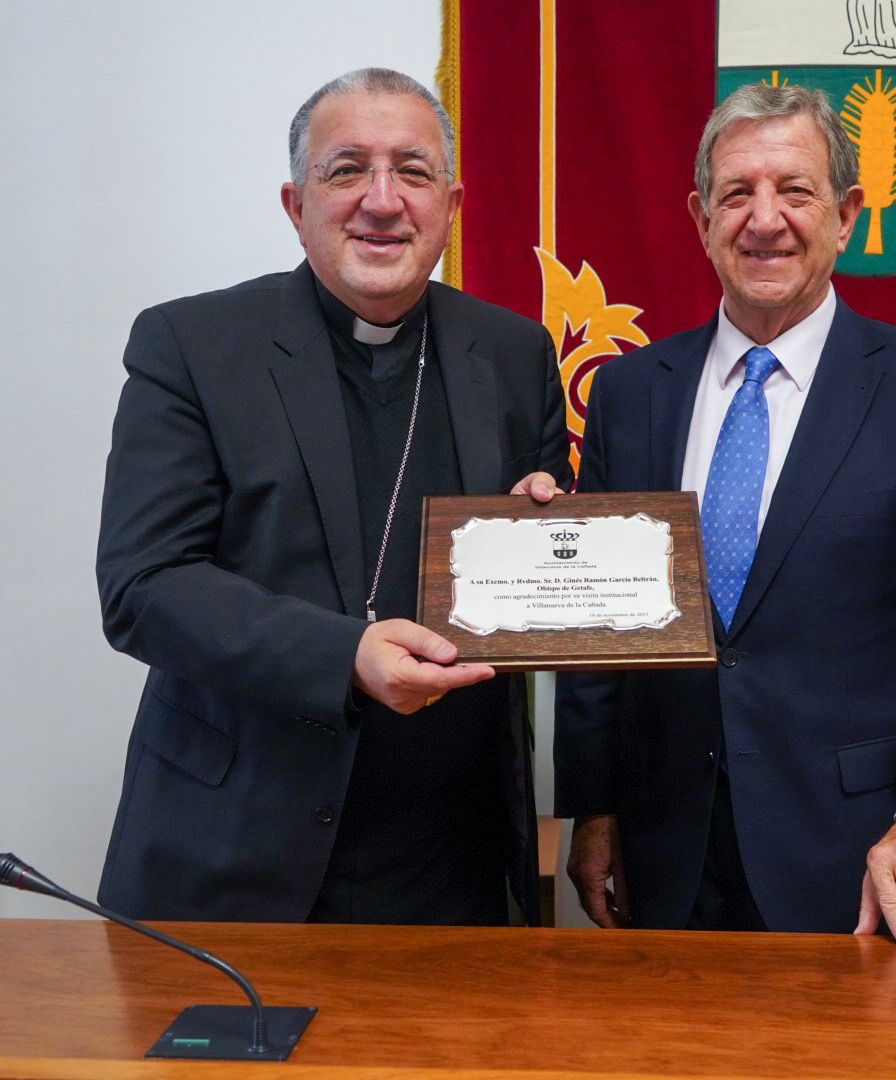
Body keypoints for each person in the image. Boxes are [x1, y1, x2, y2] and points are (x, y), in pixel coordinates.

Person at [553, 83, 896, 950]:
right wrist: (594, 808)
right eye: (737, 193)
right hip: (666, 862)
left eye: (795, 190)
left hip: (866, 866)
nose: (764, 219)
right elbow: (603, 643)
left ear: (847, 214)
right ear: (702, 217)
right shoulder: (632, 395)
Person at [96, 68, 572, 925]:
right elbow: (143, 587)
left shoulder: (513, 354)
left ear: (452, 205)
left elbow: (537, 591)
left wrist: (547, 528)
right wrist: (344, 655)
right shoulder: (191, 345)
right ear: (295, 202)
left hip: (449, 863)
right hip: (235, 850)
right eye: (347, 169)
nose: (382, 201)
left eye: (413, 172)